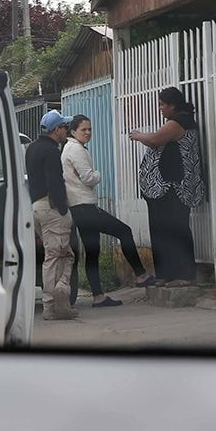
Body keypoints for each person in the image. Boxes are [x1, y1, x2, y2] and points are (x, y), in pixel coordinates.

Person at [63, 115, 157, 307]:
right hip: (85, 207)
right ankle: (140, 275)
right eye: (84, 130)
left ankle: (98, 296)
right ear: (73, 132)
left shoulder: (69, 148)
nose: (88, 133)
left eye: (90, 129)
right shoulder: (76, 150)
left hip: (78, 209)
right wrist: (98, 174)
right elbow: (88, 178)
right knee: (124, 231)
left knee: (93, 252)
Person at [129, 87, 206, 287]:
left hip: (175, 186)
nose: (160, 108)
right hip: (160, 188)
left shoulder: (180, 121)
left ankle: (184, 274)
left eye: (163, 104)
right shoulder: (174, 121)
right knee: (161, 229)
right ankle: (166, 273)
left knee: (176, 227)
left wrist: (138, 135)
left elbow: (156, 139)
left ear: (173, 105)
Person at [26, 109, 77, 320]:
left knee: (63, 255)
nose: (67, 130)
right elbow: (55, 181)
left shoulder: (32, 148)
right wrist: (64, 210)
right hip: (52, 207)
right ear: (56, 130)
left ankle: (59, 302)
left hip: (37, 207)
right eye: (65, 127)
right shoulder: (52, 151)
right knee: (56, 257)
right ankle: (52, 307)